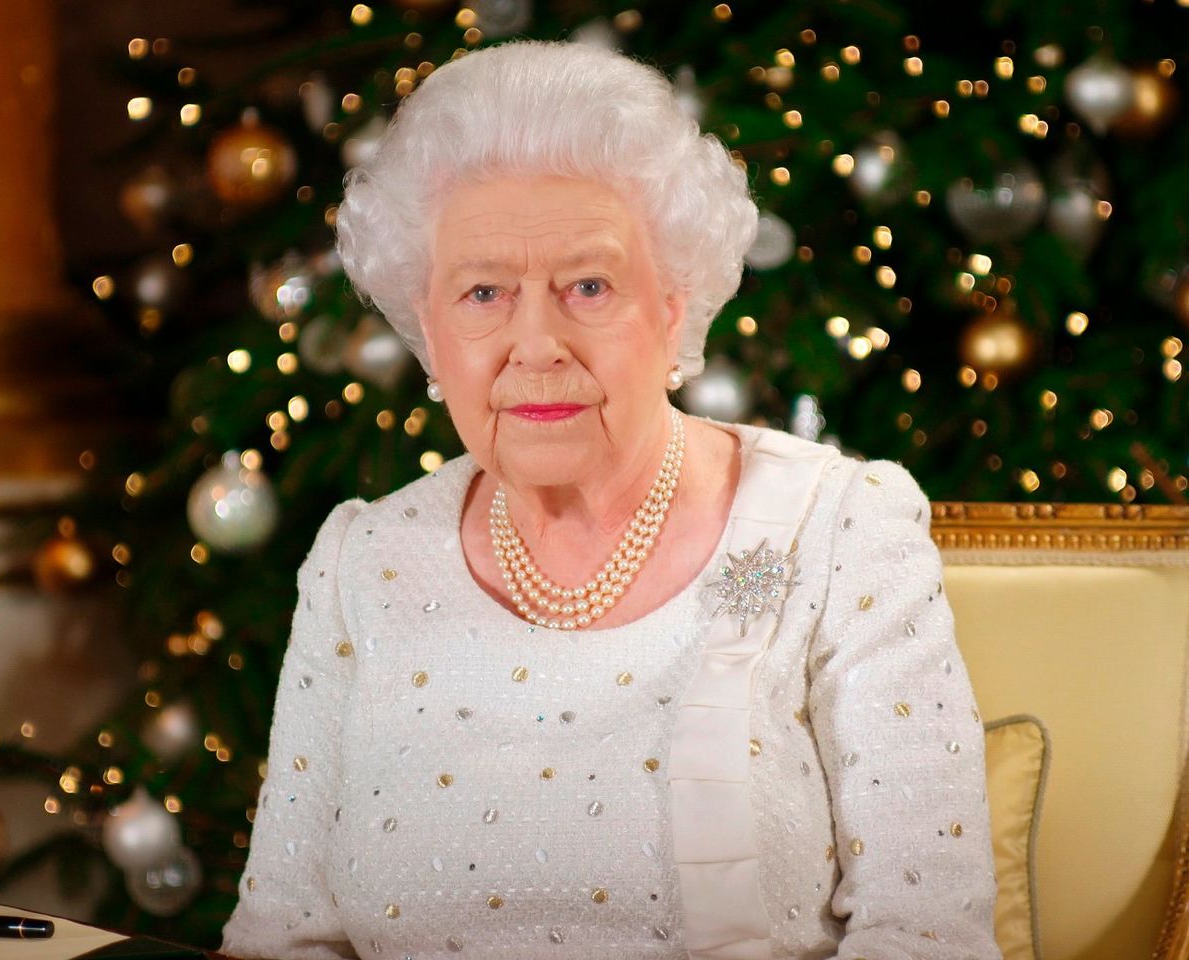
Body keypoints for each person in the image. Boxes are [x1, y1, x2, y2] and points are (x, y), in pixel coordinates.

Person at [219, 39, 1001, 960]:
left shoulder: (838, 532)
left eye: (589, 286)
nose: (536, 342)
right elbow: (280, 938)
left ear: (674, 307)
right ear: (428, 329)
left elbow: (929, 935)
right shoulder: (363, 562)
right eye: (483, 293)